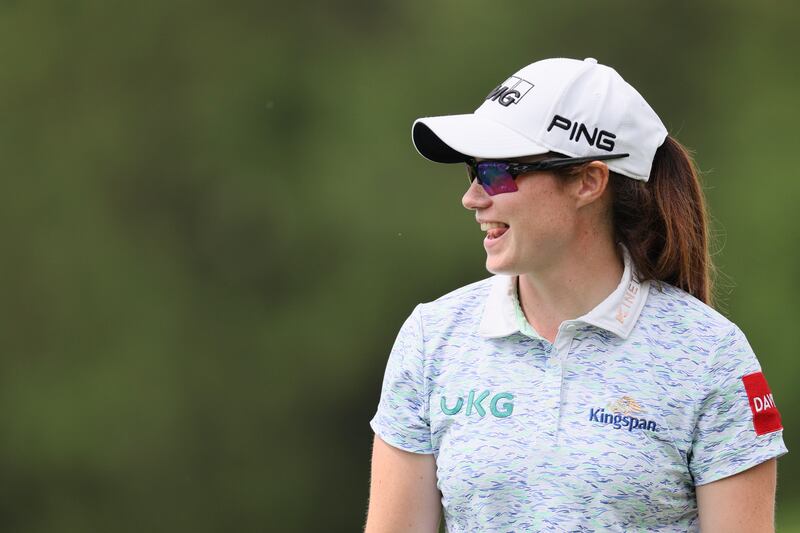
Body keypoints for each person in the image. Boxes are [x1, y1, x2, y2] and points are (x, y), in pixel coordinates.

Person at [364, 57, 787, 532]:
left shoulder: (712, 355)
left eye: (497, 172)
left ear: (588, 181)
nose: (474, 198)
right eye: (473, 170)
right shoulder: (433, 337)